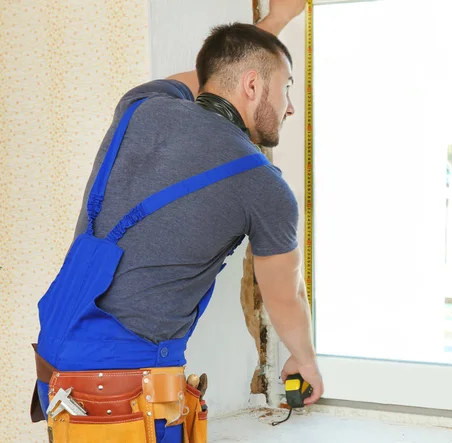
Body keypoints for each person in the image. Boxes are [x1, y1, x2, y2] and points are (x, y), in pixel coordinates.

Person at [30, 1, 323, 442]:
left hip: (59, 347)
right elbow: (283, 295)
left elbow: (212, 73)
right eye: (286, 88)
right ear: (251, 84)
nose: (290, 108)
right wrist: (305, 359)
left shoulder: (142, 104)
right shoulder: (262, 183)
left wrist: (275, 22)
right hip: (127, 375)